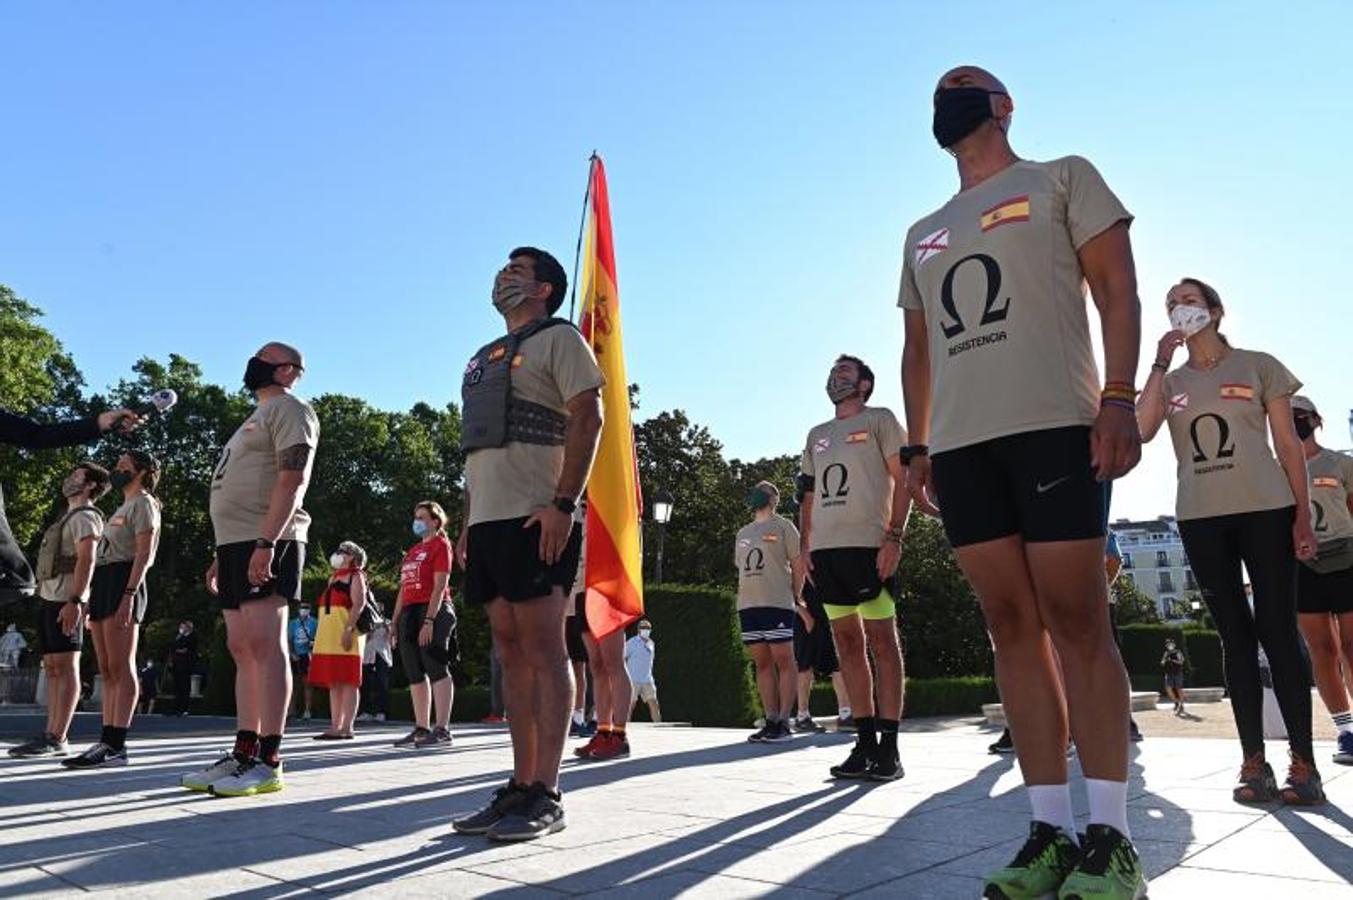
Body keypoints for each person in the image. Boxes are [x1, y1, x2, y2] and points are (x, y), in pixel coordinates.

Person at [900, 67, 1146, 897]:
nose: (952, 101)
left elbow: (1116, 286)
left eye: (966, 88)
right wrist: (920, 444)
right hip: (964, 447)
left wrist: (1117, 397)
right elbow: (918, 348)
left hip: (1055, 425)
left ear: (1004, 107)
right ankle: (1046, 828)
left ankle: (1110, 836)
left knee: (1076, 617)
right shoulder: (922, 232)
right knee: (1009, 624)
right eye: (939, 94)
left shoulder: (1061, 177)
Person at [1137, 278, 1322, 806]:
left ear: (1215, 310)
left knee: (1278, 632)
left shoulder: (1259, 365)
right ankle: (1253, 763)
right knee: (1234, 640)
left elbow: (1288, 446)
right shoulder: (1170, 381)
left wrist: (1302, 519)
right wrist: (1156, 363)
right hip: (1201, 517)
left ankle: (1304, 764)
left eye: (1189, 299)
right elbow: (1145, 430)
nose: (1180, 307)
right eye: (1172, 303)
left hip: (1267, 510)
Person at [452, 246, 603, 842]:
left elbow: (588, 417)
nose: (503, 275)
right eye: (502, 267)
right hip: (488, 520)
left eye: (518, 271)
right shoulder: (482, 357)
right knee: (508, 650)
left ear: (544, 289)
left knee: (543, 647)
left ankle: (547, 789)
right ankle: (518, 784)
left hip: (538, 514)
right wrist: (467, 521)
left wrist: (564, 505)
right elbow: (477, 450)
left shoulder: (560, 338)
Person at [182, 342, 318, 797]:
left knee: (264, 643)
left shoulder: (291, 408)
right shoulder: (251, 419)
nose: (253, 361)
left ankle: (270, 758)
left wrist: (267, 542)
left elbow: (292, 478)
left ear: (288, 370)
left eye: (265, 356)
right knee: (241, 646)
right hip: (235, 543)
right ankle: (243, 750)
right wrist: (223, 552)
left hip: (270, 539)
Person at [799, 354, 910, 782]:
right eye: (832, 372)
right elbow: (807, 495)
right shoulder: (817, 434)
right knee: (846, 644)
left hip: (868, 547)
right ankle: (863, 743)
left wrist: (894, 537)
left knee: (883, 641)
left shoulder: (880, 419)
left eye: (844, 372)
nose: (835, 377)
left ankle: (890, 746)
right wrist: (806, 545)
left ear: (864, 383)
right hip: (826, 552)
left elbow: (903, 480)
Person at [66, 451, 162, 769]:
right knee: (106, 668)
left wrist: (129, 594)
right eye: (118, 467)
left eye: (124, 467)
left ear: (141, 471)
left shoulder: (145, 503)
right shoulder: (120, 507)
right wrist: (93, 595)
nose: (118, 471)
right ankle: (104, 739)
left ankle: (117, 743)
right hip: (105, 583)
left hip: (125, 581)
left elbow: (145, 553)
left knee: (122, 666)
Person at [8, 462, 109, 758]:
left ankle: (58, 735)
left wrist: (76, 602)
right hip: (50, 598)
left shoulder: (86, 517)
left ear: (90, 484)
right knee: (52, 668)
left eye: (77, 475)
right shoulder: (68, 516)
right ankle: (49, 733)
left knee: (65, 667)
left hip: (67, 600)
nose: (70, 478)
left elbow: (87, 560)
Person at [0, 406, 140, 604]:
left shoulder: (85, 517)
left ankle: (11, 570)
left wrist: (100, 422)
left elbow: (37, 435)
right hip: (52, 596)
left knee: (19, 579)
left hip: (62, 597)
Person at [1289, 395, 1353, 765]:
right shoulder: (1276, 470)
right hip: (1303, 566)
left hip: (1345, 558)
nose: (1295, 420)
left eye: (1301, 415)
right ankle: (1345, 732)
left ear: (1315, 419)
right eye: (1287, 416)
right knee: (1323, 652)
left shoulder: (1341, 463)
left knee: (1352, 646)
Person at [735, 481, 802, 742]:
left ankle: (785, 720)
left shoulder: (785, 527)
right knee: (762, 663)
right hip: (749, 605)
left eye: (767, 490)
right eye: (758, 489)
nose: (760, 492)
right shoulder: (742, 533)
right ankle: (770, 718)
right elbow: (739, 566)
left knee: (784, 660)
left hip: (777, 603)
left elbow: (798, 566)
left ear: (775, 499)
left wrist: (797, 596)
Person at [391, 501, 457, 748]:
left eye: (422, 517)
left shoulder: (441, 545)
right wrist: (394, 622)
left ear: (435, 521)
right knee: (413, 671)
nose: (417, 521)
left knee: (435, 665)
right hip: (409, 612)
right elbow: (402, 589)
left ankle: (442, 729)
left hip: (433, 610)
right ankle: (421, 728)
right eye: (415, 516)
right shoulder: (412, 551)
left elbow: (440, 586)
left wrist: (429, 620)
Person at [308, 541, 369, 740]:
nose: (337, 554)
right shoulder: (333, 577)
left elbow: (359, 604)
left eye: (342, 551)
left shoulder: (356, 575)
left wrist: (348, 629)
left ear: (351, 556)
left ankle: (347, 727)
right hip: (328, 635)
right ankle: (335, 726)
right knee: (334, 681)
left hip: (346, 631)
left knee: (349, 680)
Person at [791, 580, 851, 733]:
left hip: (827, 617)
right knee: (805, 666)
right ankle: (802, 717)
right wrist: (804, 614)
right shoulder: (797, 558)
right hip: (804, 619)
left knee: (837, 664)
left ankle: (846, 715)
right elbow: (786, 588)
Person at [566, 504, 594, 737]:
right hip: (568, 605)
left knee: (598, 663)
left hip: (590, 601)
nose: (583, 512)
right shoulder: (568, 527)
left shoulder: (597, 531)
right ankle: (576, 716)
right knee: (575, 664)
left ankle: (596, 717)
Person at [358, 612, 393, 723]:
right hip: (367, 656)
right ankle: (366, 712)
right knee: (365, 684)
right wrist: (370, 630)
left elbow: (392, 640)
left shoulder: (387, 622)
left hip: (382, 655)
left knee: (382, 684)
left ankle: (381, 712)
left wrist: (388, 628)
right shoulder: (365, 622)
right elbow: (363, 638)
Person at [624, 620, 661, 723]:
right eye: (643, 627)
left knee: (654, 703)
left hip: (647, 679)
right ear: (639, 629)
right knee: (630, 705)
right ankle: (624, 726)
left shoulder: (651, 643)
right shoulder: (631, 642)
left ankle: (659, 727)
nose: (646, 630)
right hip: (633, 679)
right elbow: (623, 657)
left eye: (648, 628)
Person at [287, 605, 317, 720]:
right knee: (293, 683)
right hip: (295, 655)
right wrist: (291, 653)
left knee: (307, 683)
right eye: (302, 607)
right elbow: (289, 639)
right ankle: (291, 710)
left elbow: (318, 638)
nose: (303, 609)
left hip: (308, 656)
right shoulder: (293, 623)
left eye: (306, 607)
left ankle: (307, 710)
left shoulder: (314, 622)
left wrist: (312, 647)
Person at [170, 621, 197, 716]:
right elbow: (173, 648)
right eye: (180, 626)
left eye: (183, 627)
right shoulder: (178, 637)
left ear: (188, 628)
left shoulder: (192, 638)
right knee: (177, 688)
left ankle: (184, 709)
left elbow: (186, 650)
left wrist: (179, 650)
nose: (181, 628)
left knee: (185, 688)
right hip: (177, 666)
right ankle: (176, 709)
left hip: (186, 667)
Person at [1161, 639, 1187, 715]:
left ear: (1174, 645)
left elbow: (1181, 661)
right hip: (1169, 673)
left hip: (1177, 673)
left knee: (1178, 689)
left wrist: (1173, 660)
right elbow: (1162, 663)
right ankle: (1177, 702)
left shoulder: (1178, 652)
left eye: (1171, 644)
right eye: (1168, 644)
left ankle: (1181, 705)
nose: (1170, 646)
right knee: (1168, 688)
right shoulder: (1166, 653)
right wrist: (1164, 661)